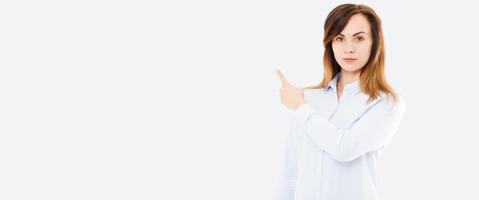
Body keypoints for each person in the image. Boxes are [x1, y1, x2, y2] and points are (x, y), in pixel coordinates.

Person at [274, 3, 406, 200]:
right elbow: (290, 171)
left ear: (375, 43)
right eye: (340, 38)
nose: (348, 48)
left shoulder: (387, 103)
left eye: (359, 38)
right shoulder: (309, 99)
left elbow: (345, 148)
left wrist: (300, 108)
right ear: (330, 44)